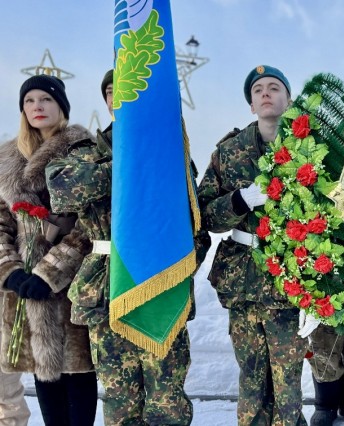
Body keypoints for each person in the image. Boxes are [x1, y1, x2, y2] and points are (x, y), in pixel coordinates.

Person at [45, 69, 209, 425]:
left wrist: (180, 266)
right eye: (112, 91)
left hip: (162, 284)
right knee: (120, 400)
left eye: (131, 89)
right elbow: (61, 189)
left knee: (167, 400)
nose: (120, 96)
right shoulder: (86, 152)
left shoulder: (171, 156)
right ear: (107, 100)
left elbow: (196, 222)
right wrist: (133, 165)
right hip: (106, 289)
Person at [197, 65, 308, 426]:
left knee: (288, 377)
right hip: (243, 277)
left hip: (291, 275)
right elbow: (203, 214)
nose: (265, 93)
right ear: (250, 104)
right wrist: (240, 200)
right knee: (252, 373)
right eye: (258, 89)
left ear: (288, 100)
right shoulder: (229, 152)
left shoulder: (309, 148)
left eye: (274, 87)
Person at [0, 74, 97, 425]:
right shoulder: (8, 159)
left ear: (61, 107)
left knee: (77, 377)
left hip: (73, 287)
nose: (37, 107)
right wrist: (9, 271)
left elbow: (91, 224)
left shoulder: (83, 151)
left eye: (46, 100)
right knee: (45, 376)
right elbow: (0, 226)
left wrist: (49, 272)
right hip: (25, 291)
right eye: (30, 101)